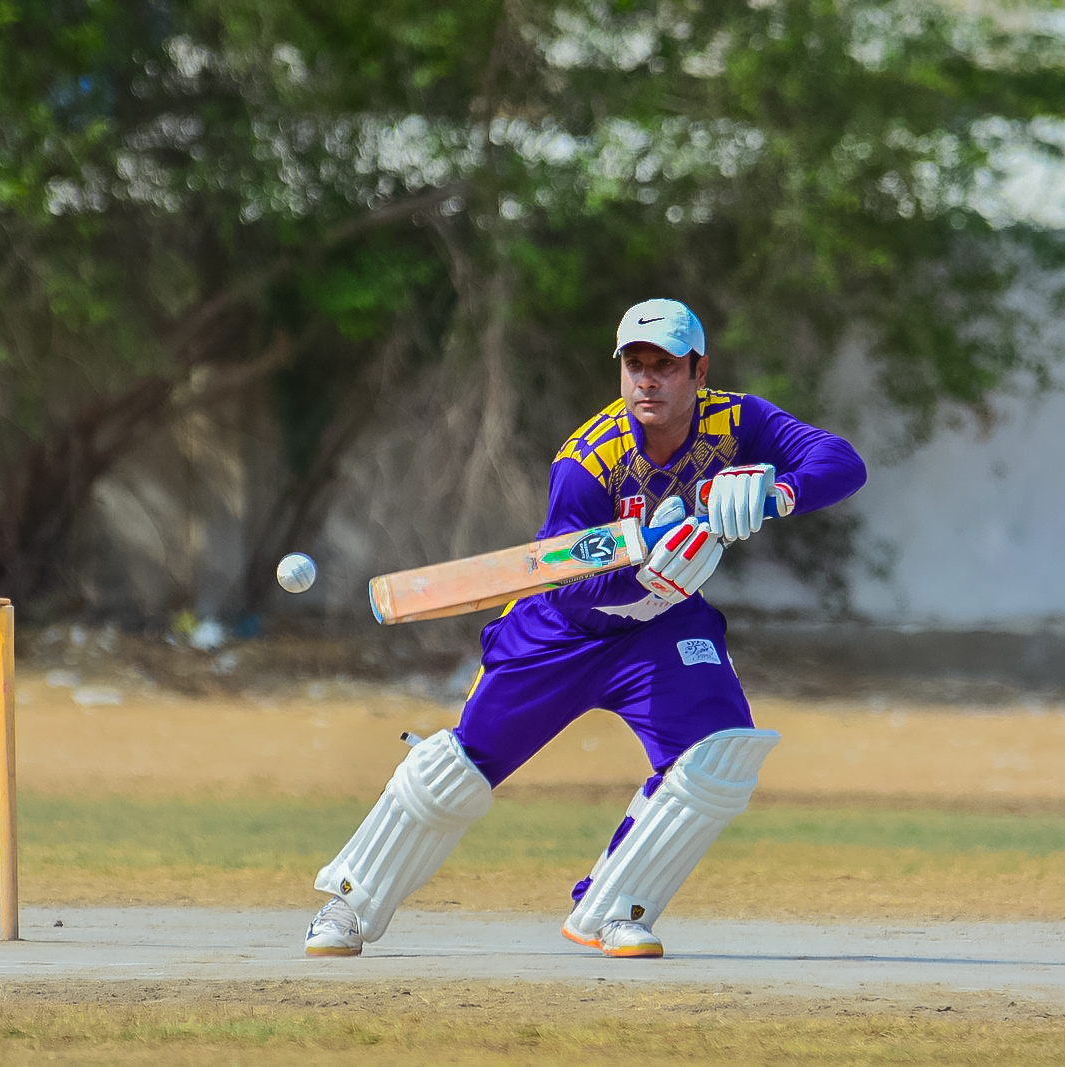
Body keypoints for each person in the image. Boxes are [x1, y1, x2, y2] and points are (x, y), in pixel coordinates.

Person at [304, 298, 866, 958]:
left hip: (663, 628)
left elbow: (842, 462)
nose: (647, 380)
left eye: (665, 365)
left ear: (699, 370)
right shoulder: (588, 461)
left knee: (717, 758)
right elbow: (567, 583)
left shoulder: (739, 421)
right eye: (635, 365)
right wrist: (644, 576)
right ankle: (348, 902)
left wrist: (778, 491)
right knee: (457, 769)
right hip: (562, 631)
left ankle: (615, 912)